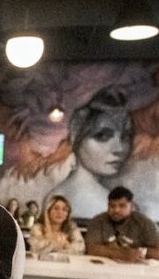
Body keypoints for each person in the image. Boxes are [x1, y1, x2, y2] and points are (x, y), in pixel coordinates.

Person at [47, 87, 132, 219]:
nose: (119, 148)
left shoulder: (110, 201)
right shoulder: (98, 203)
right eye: (103, 136)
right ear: (77, 138)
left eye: (125, 137)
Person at [85, 186, 159, 262]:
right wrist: (123, 254)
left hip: (137, 270)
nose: (116, 210)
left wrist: (139, 252)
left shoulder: (145, 223)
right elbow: (91, 249)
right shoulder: (98, 221)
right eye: (112, 206)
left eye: (122, 206)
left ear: (132, 206)